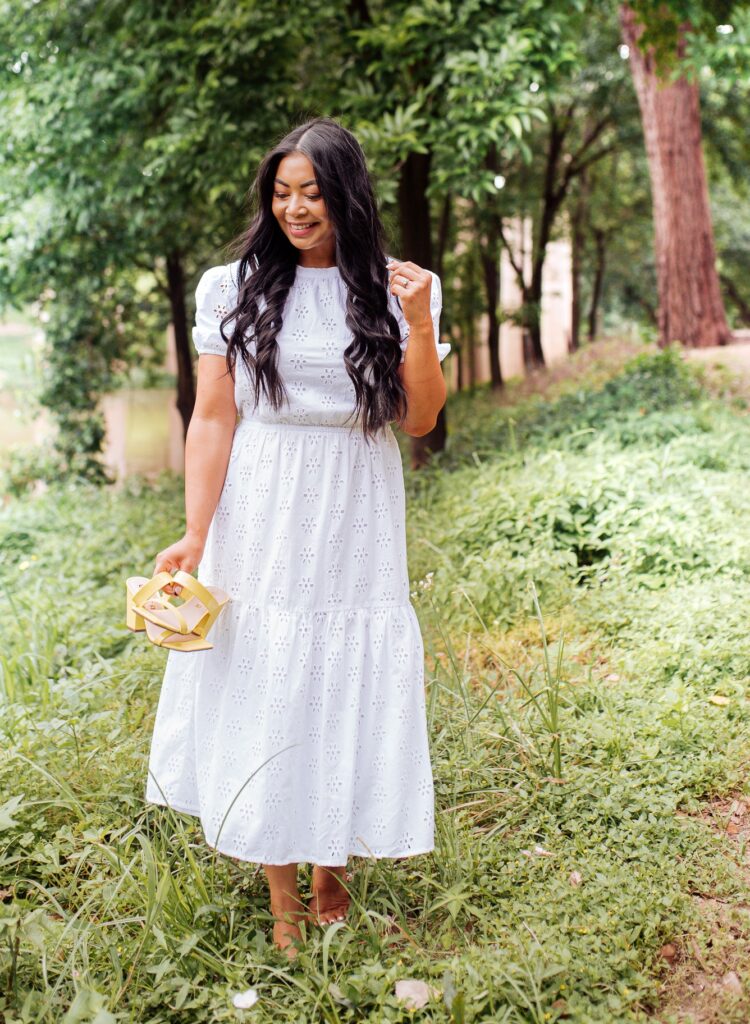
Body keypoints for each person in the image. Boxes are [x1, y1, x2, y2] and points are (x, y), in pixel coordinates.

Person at [144, 115, 451, 958]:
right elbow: (212, 418)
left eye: (312, 192)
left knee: (341, 673)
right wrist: (193, 532)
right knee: (271, 673)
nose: (295, 208)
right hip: (264, 505)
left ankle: (333, 878)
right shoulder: (230, 286)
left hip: (356, 505)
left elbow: (422, 416)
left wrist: (419, 321)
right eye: (281, 193)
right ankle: (284, 902)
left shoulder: (393, 289)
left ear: (345, 195)